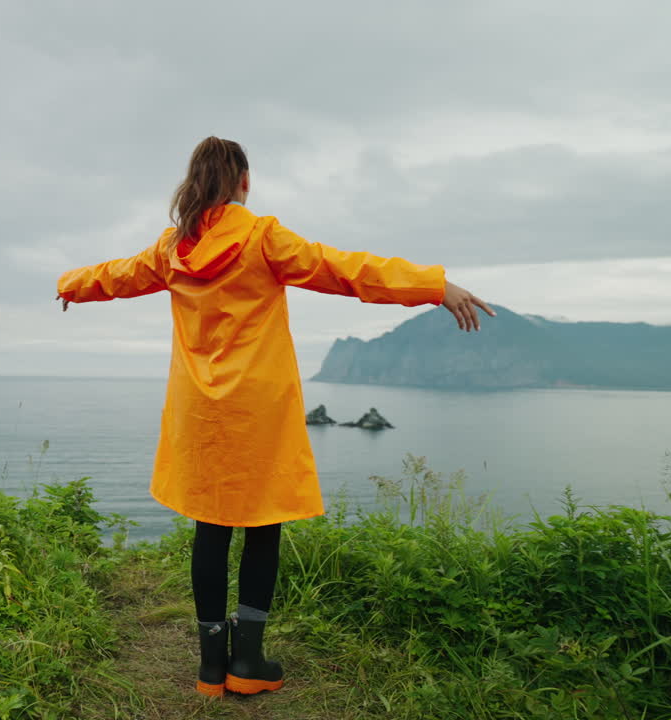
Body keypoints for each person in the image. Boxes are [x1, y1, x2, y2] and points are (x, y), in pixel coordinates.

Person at [54, 136, 494, 697]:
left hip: (201, 415)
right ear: (244, 182)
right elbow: (349, 269)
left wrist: (71, 284)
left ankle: (211, 668)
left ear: (196, 184)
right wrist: (436, 285)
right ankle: (249, 661)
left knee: (210, 527)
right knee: (263, 526)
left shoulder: (172, 249)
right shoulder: (263, 238)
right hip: (258, 410)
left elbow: (115, 276)